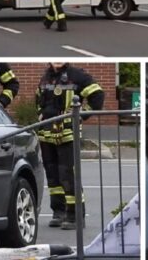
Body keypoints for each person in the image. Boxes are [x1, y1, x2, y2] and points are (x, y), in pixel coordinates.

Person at [36, 63, 104, 230]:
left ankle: (75, 216)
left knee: (68, 173)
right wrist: (40, 113)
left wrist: (80, 115)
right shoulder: (46, 77)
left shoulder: (78, 75)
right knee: (52, 174)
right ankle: (58, 212)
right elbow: (39, 99)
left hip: (67, 133)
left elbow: (98, 96)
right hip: (46, 133)